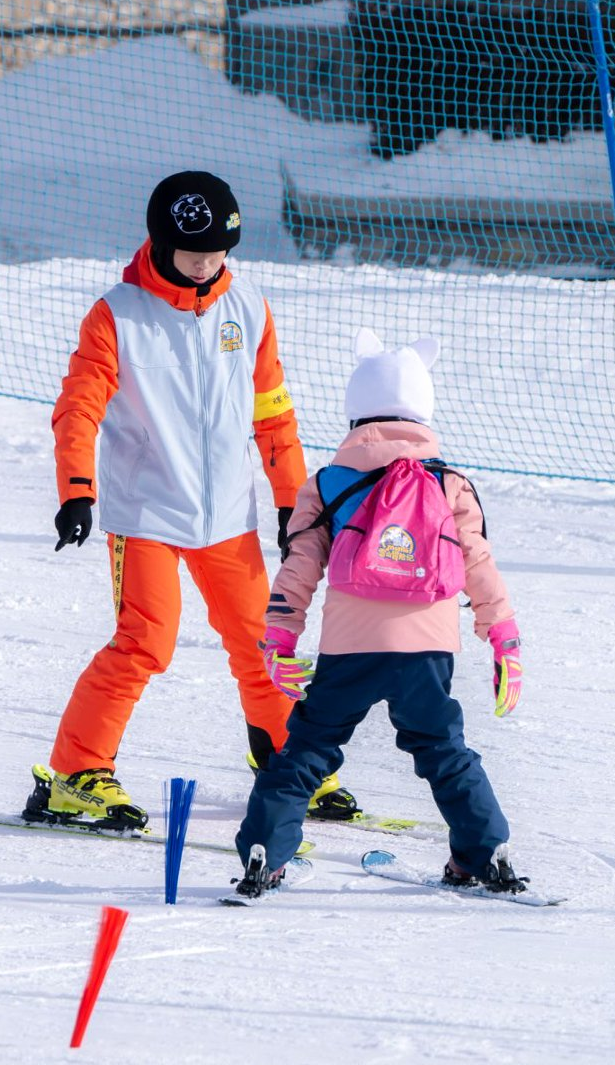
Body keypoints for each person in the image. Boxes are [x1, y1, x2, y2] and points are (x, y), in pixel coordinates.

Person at [22, 171, 360, 829]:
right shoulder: (118, 315)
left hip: (228, 513)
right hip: (144, 510)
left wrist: (293, 499)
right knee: (144, 642)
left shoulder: (249, 309)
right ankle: (77, 775)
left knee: (266, 642)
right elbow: (79, 410)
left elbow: (273, 412)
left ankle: (289, 756)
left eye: (218, 254)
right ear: (160, 243)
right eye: (193, 255)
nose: (207, 266)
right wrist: (77, 492)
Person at [230, 328, 527, 899]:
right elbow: (478, 564)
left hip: (350, 645)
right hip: (428, 648)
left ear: (355, 410)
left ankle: (266, 852)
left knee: (309, 749)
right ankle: (483, 853)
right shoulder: (451, 484)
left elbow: (299, 567)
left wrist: (278, 638)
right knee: (444, 751)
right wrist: (504, 639)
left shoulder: (328, 483)